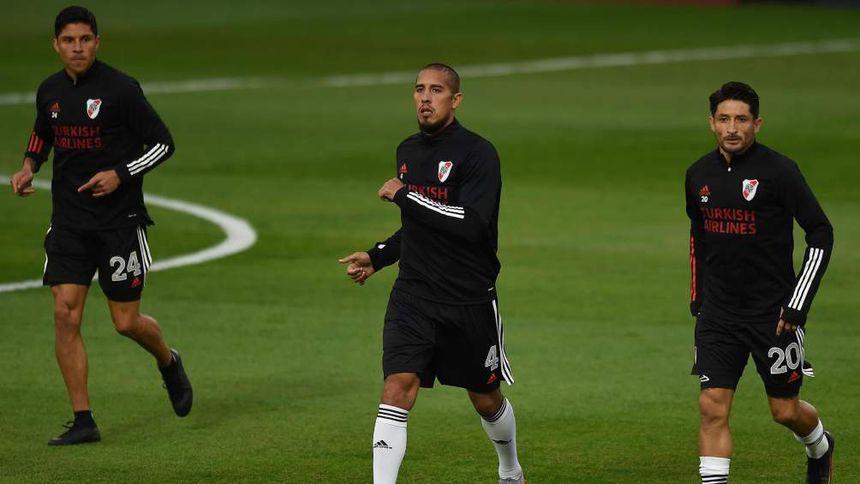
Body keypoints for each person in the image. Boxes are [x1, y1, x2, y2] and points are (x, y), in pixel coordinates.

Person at [9, 6, 192, 445]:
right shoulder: (50, 90)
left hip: (118, 223)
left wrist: (121, 174)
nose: (77, 48)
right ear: (56, 45)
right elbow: (43, 132)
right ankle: (83, 420)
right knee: (64, 314)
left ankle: (168, 361)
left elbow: (163, 142)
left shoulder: (121, 89)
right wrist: (29, 165)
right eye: (69, 40)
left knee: (125, 322)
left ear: (97, 42)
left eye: (85, 39)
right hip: (69, 223)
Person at [339, 63, 523, 484]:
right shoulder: (407, 151)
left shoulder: (478, 154)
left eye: (436, 90)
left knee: (485, 398)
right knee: (397, 387)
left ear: (455, 100)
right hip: (414, 295)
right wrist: (378, 256)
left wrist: (405, 195)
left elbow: (471, 223)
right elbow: (419, 225)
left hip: (467, 297)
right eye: (419, 89)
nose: (425, 97)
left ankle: (510, 470)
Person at [685, 81, 834, 483]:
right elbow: (698, 236)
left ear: (757, 124)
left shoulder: (779, 172)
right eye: (724, 119)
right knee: (712, 406)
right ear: (712, 123)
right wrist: (699, 296)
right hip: (719, 314)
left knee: (784, 410)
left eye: (741, 119)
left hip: (774, 316)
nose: (732, 128)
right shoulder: (698, 174)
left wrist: (798, 303)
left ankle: (820, 446)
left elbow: (821, 233)